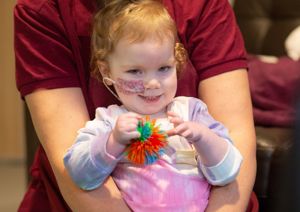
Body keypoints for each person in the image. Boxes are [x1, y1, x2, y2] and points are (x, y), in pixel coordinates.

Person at [14, 0, 256, 211]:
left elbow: (231, 167)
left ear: (176, 60)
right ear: (106, 72)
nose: (151, 84)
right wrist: (111, 143)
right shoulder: (108, 122)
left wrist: (205, 139)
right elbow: (79, 174)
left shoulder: (191, 112)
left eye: (164, 68)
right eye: (134, 71)